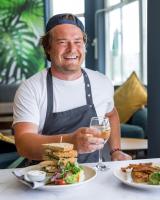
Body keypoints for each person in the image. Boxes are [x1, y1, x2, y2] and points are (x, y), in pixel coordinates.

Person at [13, 13, 131, 163]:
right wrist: (70, 143)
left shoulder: (102, 82)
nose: (72, 49)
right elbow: (24, 144)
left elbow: (111, 115)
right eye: (62, 42)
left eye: (77, 42)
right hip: (48, 179)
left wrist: (116, 151)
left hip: (96, 176)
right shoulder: (31, 88)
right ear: (48, 48)